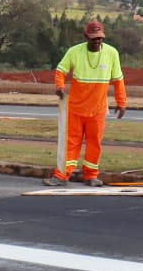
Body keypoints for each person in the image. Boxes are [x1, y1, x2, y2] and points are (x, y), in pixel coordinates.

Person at [46, 21, 127, 187]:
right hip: (75, 108)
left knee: (94, 143)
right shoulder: (74, 52)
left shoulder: (112, 53)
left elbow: (118, 80)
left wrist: (122, 102)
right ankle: (62, 175)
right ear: (86, 37)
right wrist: (59, 87)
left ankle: (90, 176)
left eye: (100, 38)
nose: (97, 41)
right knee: (71, 143)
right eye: (93, 38)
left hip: (97, 110)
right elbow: (60, 70)